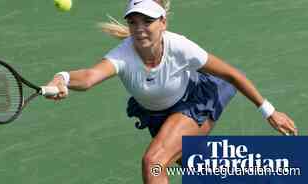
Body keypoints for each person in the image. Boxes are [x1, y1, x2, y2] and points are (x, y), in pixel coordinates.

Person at [45, 0, 298, 183]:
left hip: (194, 103)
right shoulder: (123, 55)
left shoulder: (181, 47)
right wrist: (62, 78)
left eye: (148, 21)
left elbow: (231, 74)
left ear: (163, 22)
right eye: (133, 22)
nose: (140, 28)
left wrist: (270, 112)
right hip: (159, 116)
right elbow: (89, 77)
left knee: (153, 163)